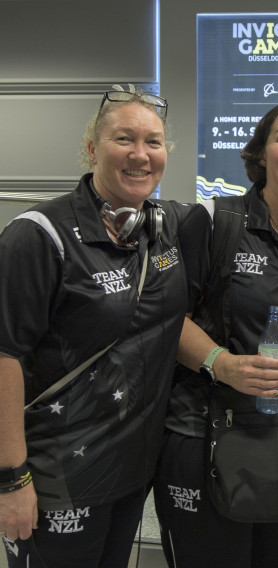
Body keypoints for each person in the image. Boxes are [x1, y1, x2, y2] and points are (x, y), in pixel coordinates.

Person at [0, 85, 204, 567]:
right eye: (124, 139)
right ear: (92, 148)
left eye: (153, 142)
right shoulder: (38, 236)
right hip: (57, 477)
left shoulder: (165, 226)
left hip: (130, 473)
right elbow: (4, 355)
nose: (141, 155)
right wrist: (10, 479)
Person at [153, 99, 278, 568]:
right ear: (261, 155)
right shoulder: (215, 221)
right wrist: (223, 363)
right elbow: (164, 319)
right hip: (203, 433)